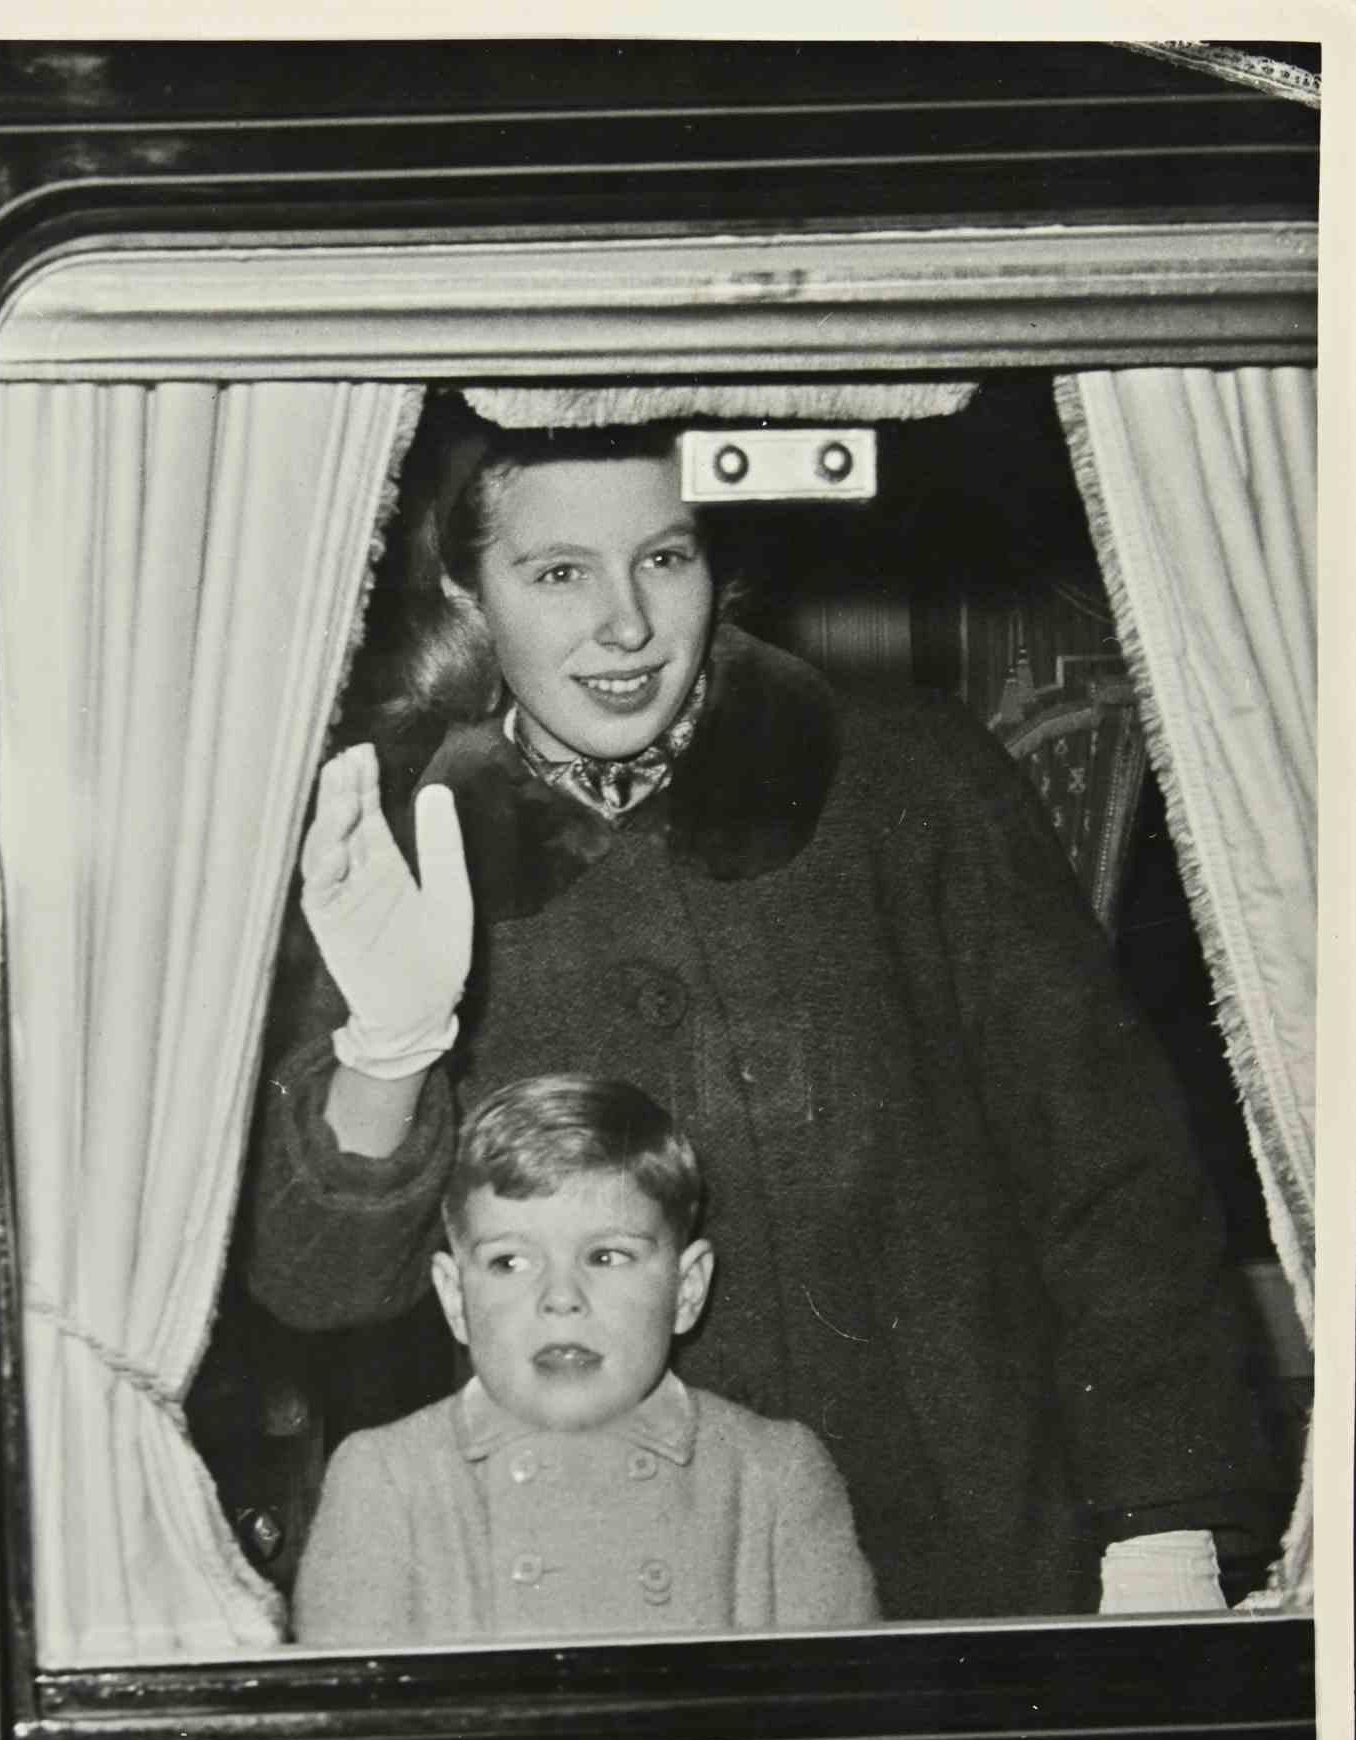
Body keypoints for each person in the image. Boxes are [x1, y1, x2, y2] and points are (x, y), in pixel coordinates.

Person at [245, 406, 1282, 1623]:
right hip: (575, 1603)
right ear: (469, 592)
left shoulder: (913, 785)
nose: (624, 624)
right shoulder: (396, 849)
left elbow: (1111, 1179)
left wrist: (1160, 1527)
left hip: (960, 1576)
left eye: (665, 556)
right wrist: (391, 1048)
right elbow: (318, 1286)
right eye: (558, 571)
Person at [292, 1074, 879, 1645]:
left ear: (688, 1289)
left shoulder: (772, 1475)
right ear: (454, 1297)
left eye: (606, 1256)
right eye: (510, 1263)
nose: (561, 1298)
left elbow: (841, 1719)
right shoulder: (389, 1478)